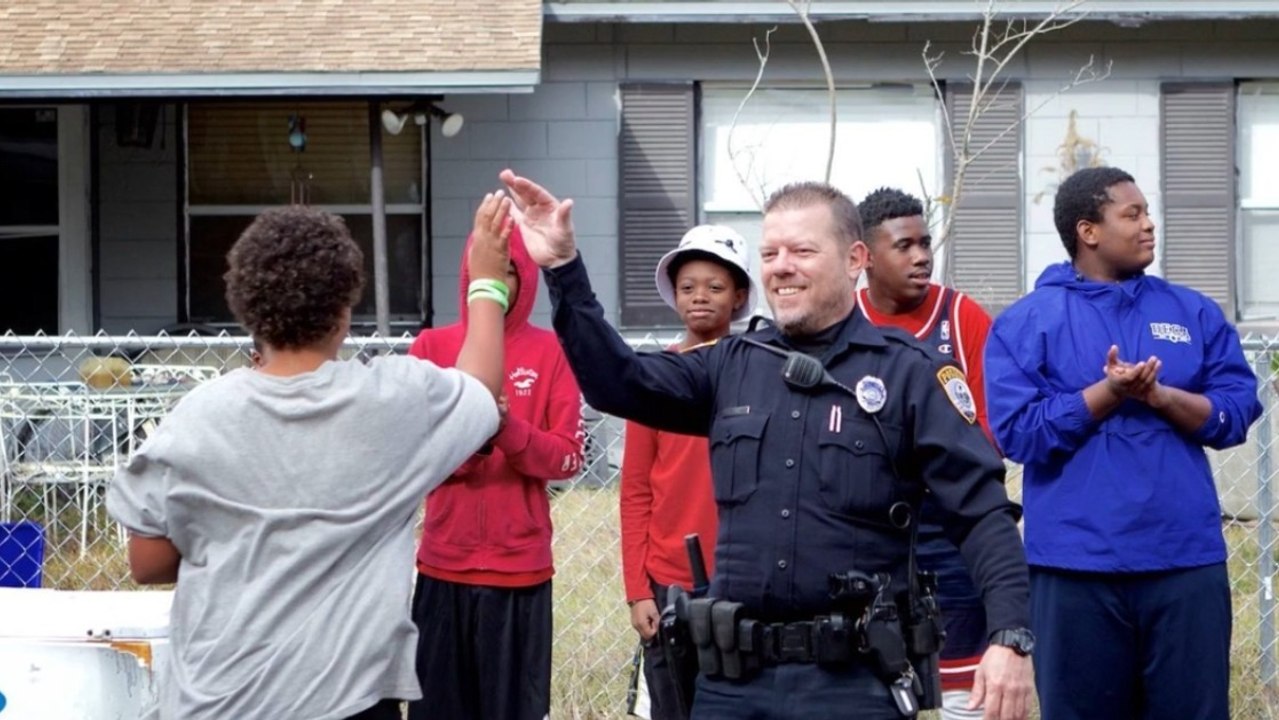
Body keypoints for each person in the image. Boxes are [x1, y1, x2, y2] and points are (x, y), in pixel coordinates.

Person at [501, 168, 1034, 720]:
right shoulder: (729, 365)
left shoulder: (907, 375)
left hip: (853, 685)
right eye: (771, 252)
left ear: (854, 260)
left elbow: (981, 515)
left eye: (802, 250)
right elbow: (617, 381)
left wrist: (1010, 636)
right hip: (734, 682)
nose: (782, 266)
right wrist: (564, 267)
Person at [106, 198, 511, 720]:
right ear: (344, 312)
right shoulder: (394, 402)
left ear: (247, 309)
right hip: (347, 702)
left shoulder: (199, 414)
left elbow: (146, 562)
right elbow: (481, 389)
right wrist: (486, 280)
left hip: (216, 700)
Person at [984, 166, 1262, 720]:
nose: (1149, 225)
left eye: (1148, 212)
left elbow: (1236, 411)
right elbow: (1019, 434)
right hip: (1074, 570)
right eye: (1131, 215)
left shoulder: (1192, 312)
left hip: (1183, 563)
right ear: (1088, 231)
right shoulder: (1027, 323)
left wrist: (1162, 397)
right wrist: (1106, 393)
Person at [407, 224, 585, 720]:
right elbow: (417, 461)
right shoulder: (430, 348)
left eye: (511, 270)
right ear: (468, 274)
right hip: (443, 566)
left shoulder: (552, 351)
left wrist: (506, 429)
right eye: (490, 269)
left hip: (521, 572)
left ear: (526, 279)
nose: (500, 281)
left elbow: (568, 457)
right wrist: (474, 434)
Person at [858, 187, 997, 719]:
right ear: (864, 256)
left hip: (950, 533)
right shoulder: (844, 318)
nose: (921, 256)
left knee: (965, 691)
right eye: (904, 246)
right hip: (865, 536)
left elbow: (988, 431)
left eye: (925, 243)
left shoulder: (960, 317)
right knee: (877, 688)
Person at [621, 225, 757, 719]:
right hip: (669, 582)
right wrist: (639, 591)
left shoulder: (759, 371)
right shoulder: (654, 378)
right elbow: (636, 489)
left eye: (716, 287)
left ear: (739, 296)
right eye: (688, 287)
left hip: (743, 577)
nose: (700, 297)